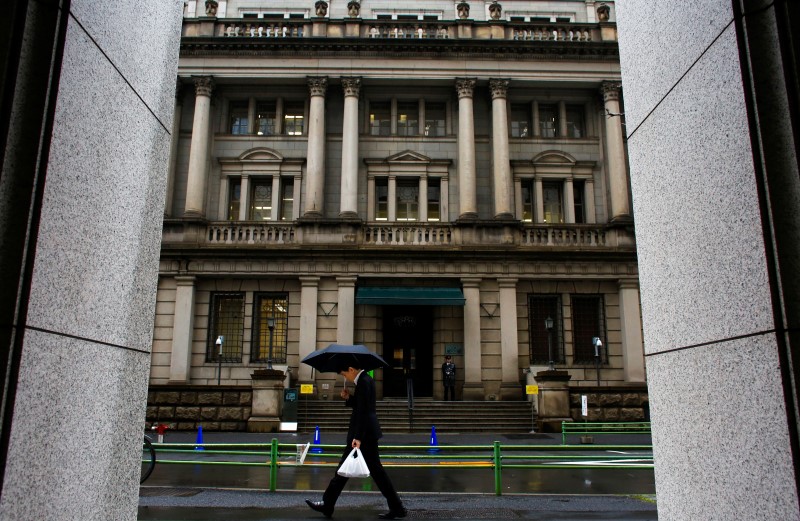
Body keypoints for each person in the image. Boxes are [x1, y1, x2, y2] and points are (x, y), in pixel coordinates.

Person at [306, 364, 407, 519]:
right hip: (366, 433)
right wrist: (349, 398)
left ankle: (328, 504)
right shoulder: (367, 380)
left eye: (345, 374)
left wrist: (358, 437)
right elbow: (362, 406)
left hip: (363, 435)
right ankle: (328, 504)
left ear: (352, 369)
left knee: (353, 471)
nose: (345, 377)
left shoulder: (364, 382)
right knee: (350, 471)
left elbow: (364, 412)